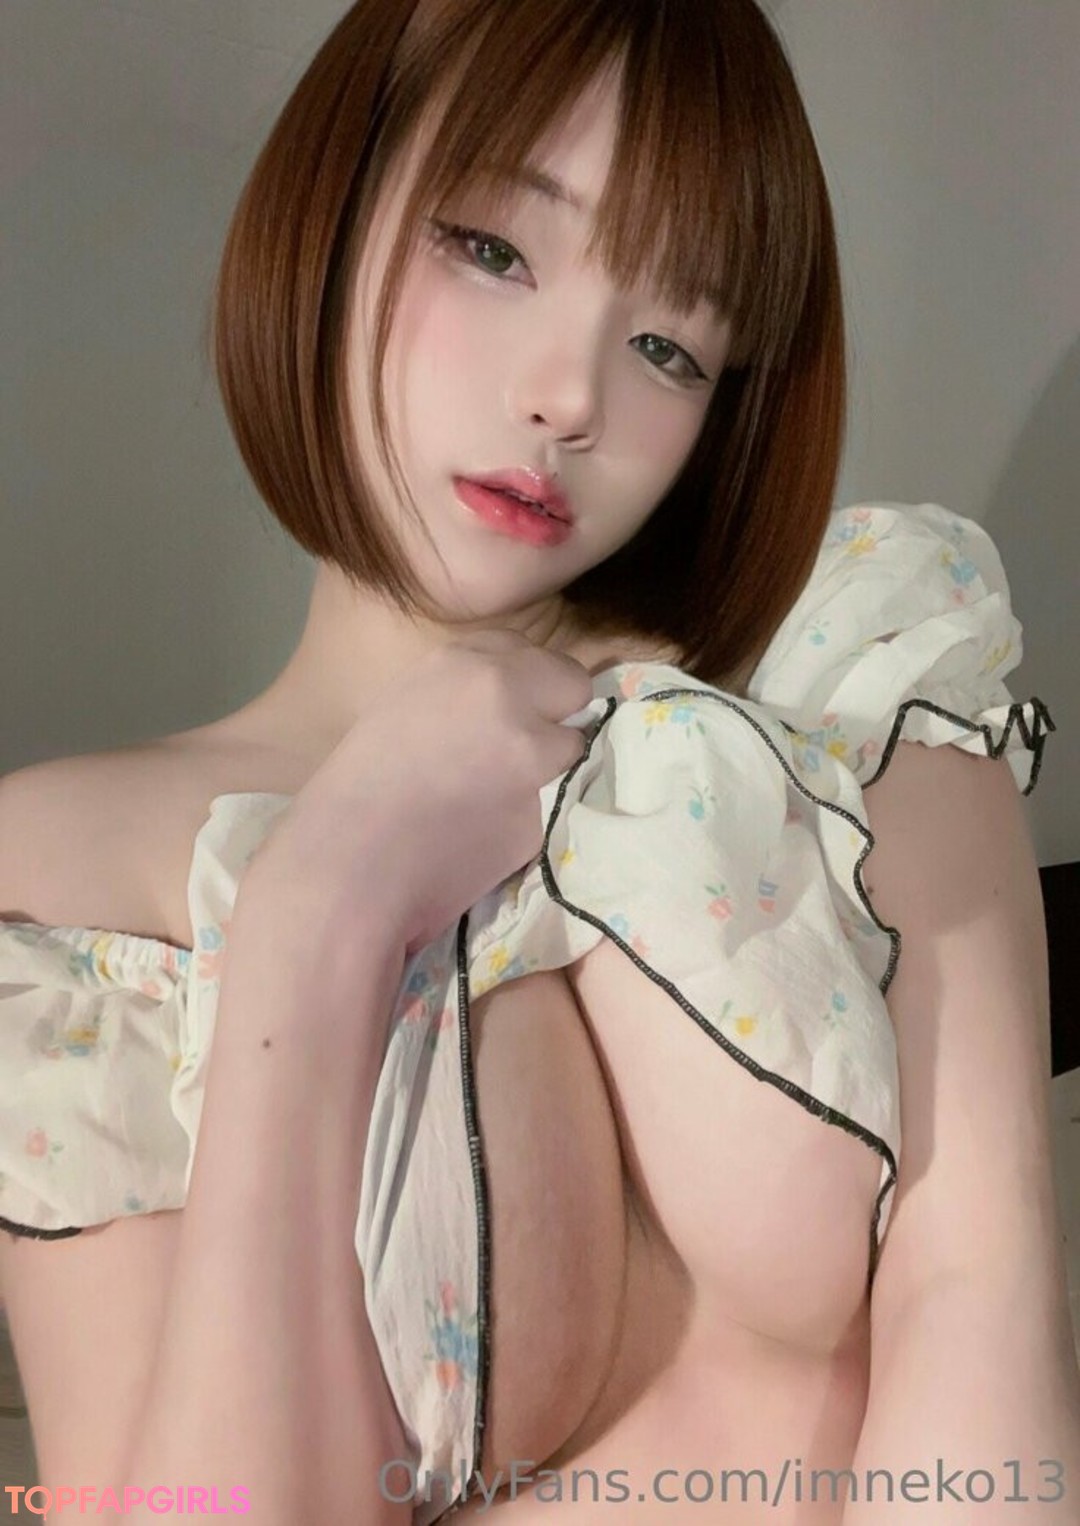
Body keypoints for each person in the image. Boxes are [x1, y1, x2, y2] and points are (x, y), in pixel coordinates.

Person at [1, 1, 1078, 1523]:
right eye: (494, 250)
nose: (570, 397)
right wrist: (320, 905)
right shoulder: (64, 880)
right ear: (340, 202)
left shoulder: (852, 690)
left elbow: (983, 1302)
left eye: (666, 346)